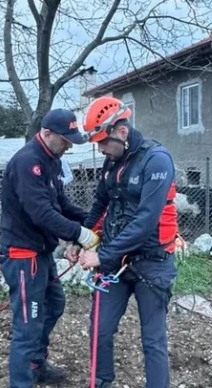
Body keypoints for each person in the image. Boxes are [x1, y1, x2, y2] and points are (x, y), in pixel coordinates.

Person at [70, 96, 179, 388]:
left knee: (152, 339)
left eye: (103, 142)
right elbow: (99, 205)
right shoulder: (111, 162)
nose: (100, 148)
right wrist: (80, 239)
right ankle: (102, 381)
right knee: (100, 329)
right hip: (115, 262)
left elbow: (144, 222)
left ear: (121, 131)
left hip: (152, 263)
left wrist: (101, 255)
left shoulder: (157, 160)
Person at [0, 109, 100, 388]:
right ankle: (21, 382)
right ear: (46, 133)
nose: (69, 144)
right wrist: (79, 233)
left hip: (41, 251)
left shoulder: (52, 160)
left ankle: (36, 363)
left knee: (54, 304)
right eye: (65, 139)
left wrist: (90, 219)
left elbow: (60, 204)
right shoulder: (27, 162)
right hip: (22, 255)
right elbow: (40, 212)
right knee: (27, 324)